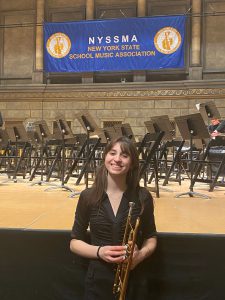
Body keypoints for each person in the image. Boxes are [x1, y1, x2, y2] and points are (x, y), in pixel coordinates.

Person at [70, 136, 157, 300]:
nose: (117, 159)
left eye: (124, 155)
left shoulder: (142, 196)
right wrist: (99, 252)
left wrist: (141, 255)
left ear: (132, 163)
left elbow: (150, 236)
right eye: (112, 153)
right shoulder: (88, 196)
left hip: (133, 279)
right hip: (98, 281)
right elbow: (74, 242)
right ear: (105, 157)